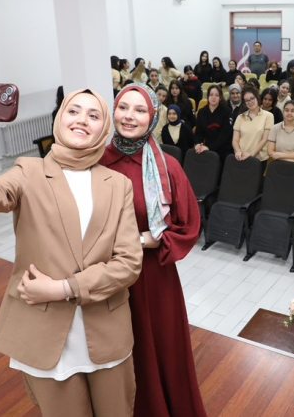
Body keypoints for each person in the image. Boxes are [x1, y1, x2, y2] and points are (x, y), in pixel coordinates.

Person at [0, 83, 142, 416]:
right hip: (44, 333)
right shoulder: (29, 171)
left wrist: (62, 289)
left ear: (104, 128)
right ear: (59, 118)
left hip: (106, 331)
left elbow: (129, 263)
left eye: (94, 115)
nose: (82, 120)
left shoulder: (118, 184)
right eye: (73, 111)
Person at [99, 84, 206, 417]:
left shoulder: (167, 166)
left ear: (153, 117)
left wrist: (147, 240)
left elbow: (188, 225)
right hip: (102, 275)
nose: (129, 116)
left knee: (156, 349)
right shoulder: (96, 160)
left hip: (151, 278)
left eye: (140, 110)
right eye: (123, 107)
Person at [232, 87, 275, 171]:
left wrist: (251, 154)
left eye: (252, 98)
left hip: (259, 159)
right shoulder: (240, 117)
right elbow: (235, 140)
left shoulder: (268, 116)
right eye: (247, 100)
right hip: (241, 157)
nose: (250, 102)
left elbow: (264, 139)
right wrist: (238, 151)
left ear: (257, 97)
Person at [194, 85, 234, 166]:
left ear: (220, 97)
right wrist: (198, 143)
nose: (213, 97)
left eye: (216, 95)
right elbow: (199, 132)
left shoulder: (227, 111)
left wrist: (210, 148)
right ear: (208, 96)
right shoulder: (202, 112)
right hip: (207, 147)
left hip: (224, 149)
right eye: (211, 95)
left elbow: (225, 135)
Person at [267, 100, 294, 167]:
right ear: (283, 112)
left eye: (292, 111)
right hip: (279, 164)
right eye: (286, 110)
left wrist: (280, 155)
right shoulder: (274, 128)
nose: (289, 113)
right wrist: (288, 159)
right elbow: (270, 152)